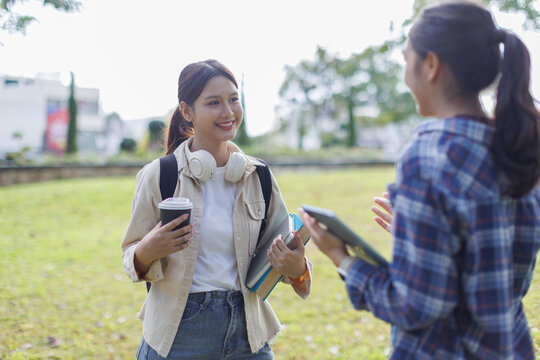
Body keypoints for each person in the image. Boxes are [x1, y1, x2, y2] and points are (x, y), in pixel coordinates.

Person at [299, 1, 540, 359]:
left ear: (431, 65)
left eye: (406, 59)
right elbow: (493, 267)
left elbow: (417, 305)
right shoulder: (519, 145)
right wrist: (421, 237)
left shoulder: (429, 151)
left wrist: (342, 259)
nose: (404, 75)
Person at [122, 59, 312, 359]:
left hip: (248, 332)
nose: (228, 112)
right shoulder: (159, 175)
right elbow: (130, 256)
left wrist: (297, 267)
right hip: (179, 334)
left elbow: (288, 255)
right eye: (214, 102)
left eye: (233, 99)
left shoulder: (259, 175)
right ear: (187, 111)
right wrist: (148, 249)